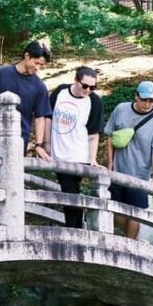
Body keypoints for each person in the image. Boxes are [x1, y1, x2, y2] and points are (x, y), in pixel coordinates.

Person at [0, 41, 53, 222]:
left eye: (42, 65)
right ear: (26, 56)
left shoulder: (39, 86)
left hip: (20, 136)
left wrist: (39, 144)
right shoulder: (2, 73)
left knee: (11, 175)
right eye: (37, 63)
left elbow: (41, 116)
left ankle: (8, 218)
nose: (38, 67)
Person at [104, 80, 153, 240]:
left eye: (151, 101)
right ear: (136, 96)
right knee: (116, 211)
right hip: (118, 170)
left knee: (136, 213)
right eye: (144, 99)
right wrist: (110, 162)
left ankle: (130, 244)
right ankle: (127, 239)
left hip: (140, 174)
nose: (147, 104)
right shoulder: (121, 109)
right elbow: (110, 136)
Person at [48, 66, 104, 229]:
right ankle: (75, 229)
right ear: (76, 80)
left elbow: (93, 134)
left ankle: (75, 229)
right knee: (69, 192)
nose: (88, 90)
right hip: (58, 151)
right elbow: (47, 118)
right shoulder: (60, 92)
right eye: (85, 86)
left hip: (78, 154)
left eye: (92, 87)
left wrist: (92, 158)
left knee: (70, 191)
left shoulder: (94, 101)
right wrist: (44, 145)